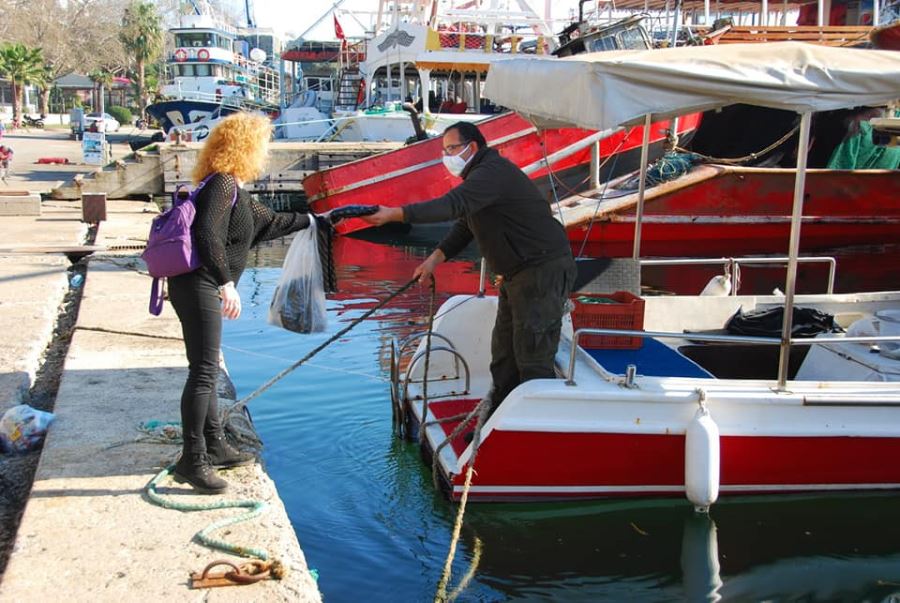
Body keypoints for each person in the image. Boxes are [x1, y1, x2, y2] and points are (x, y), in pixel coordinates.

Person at [361, 121, 576, 414]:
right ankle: (499, 420)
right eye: (443, 151)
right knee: (503, 357)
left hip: (541, 271)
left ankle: (537, 427)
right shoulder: (480, 176)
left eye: (450, 149)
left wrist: (395, 215)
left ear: (471, 147)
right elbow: (466, 225)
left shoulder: (491, 173)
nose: (446, 157)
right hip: (517, 275)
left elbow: (453, 206)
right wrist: (433, 259)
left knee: (533, 358)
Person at [168, 112, 326, 494]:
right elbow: (207, 235)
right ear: (246, 147)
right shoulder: (222, 185)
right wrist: (226, 284)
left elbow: (270, 223)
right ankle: (193, 459)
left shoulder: (232, 188)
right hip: (198, 285)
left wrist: (317, 220)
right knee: (204, 371)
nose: (266, 152)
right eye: (263, 145)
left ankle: (215, 444)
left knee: (204, 368)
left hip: (200, 285)